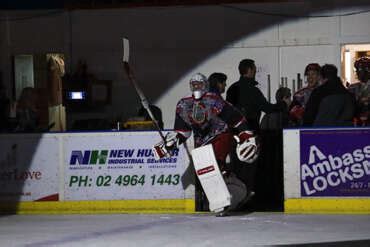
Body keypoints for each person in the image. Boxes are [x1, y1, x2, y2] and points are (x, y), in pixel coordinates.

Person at [153, 73, 258, 215]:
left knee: (214, 164)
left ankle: (222, 200)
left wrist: (245, 134)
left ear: (205, 85)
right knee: (207, 171)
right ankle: (237, 191)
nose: (197, 87)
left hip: (220, 135)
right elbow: (183, 131)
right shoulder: (184, 104)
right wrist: (170, 143)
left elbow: (235, 118)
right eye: (194, 84)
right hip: (201, 142)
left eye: (199, 84)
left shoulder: (213, 100)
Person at [226, 59, 287, 132]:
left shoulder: (232, 88)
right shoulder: (253, 90)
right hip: (250, 131)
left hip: (233, 132)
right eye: (254, 70)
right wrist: (284, 103)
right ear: (249, 70)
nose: (255, 73)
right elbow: (268, 108)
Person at [348, 56, 370, 126]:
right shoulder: (352, 87)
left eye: (360, 69)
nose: (357, 72)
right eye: (356, 69)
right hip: (357, 121)